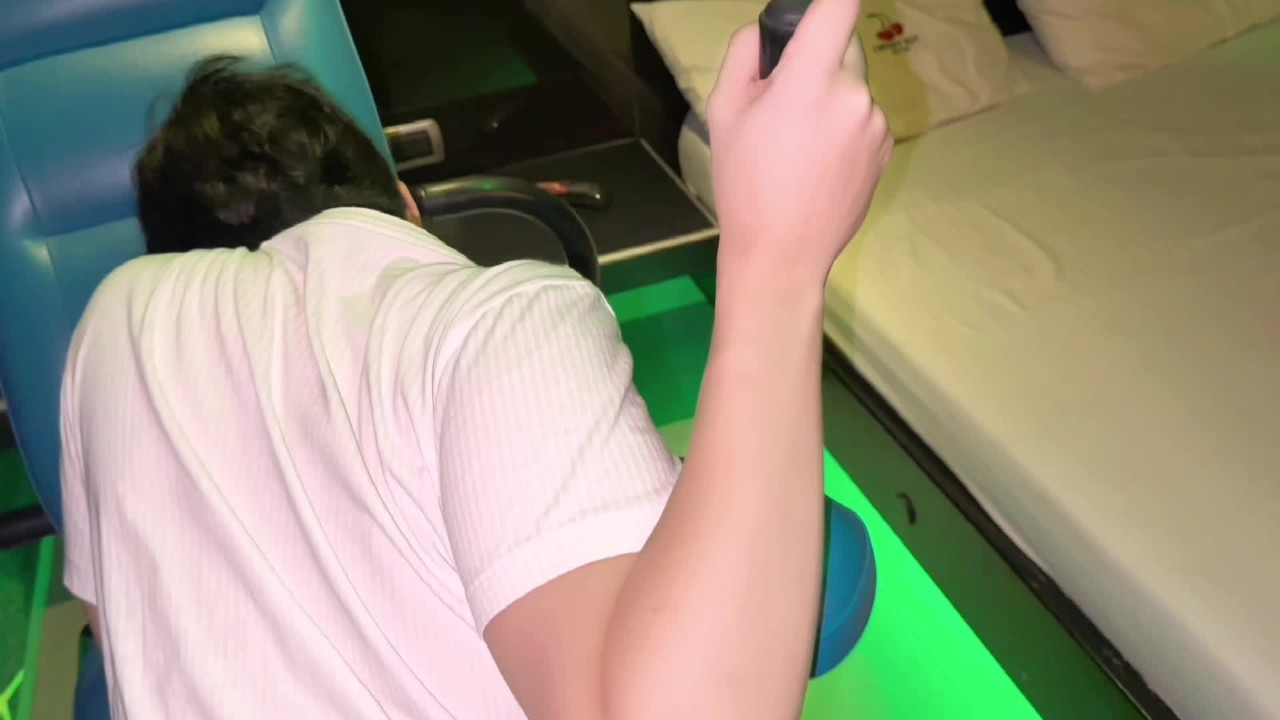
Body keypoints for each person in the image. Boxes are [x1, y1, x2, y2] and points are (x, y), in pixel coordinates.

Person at [58, 0, 892, 717]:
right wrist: (778, 261)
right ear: (408, 206)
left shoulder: (111, 324)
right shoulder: (496, 321)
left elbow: (115, 623)